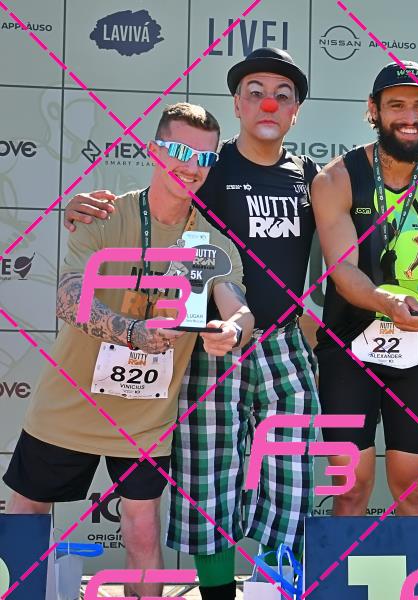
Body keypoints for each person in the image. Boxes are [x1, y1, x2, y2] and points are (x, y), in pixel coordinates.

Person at [63, 48, 321, 600]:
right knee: (209, 483)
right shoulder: (208, 166)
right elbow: (152, 205)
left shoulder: (310, 176)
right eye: (255, 92)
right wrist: (84, 207)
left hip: (282, 344)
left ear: (296, 111)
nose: (268, 103)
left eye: (282, 95)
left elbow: (358, 218)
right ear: (237, 104)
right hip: (206, 346)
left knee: (292, 484)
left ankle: (275, 590)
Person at [5, 103, 250, 598]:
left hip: (143, 419)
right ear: (154, 151)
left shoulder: (212, 240)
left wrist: (232, 331)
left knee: (141, 528)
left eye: (204, 157)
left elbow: (237, 305)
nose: (191, 166)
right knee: (27, 513)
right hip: (69, 405)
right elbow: (69, 297)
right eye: (179, 151)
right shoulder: (104, 215)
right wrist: (134, 332)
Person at [311, 60, 418, 516]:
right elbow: (342, 270)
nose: (410, 117)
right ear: (374, 110)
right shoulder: (337, 178)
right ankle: (340, 568)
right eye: (397, 105)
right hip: (348, 348)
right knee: (350, 489)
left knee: (414, 491)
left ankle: (416, 569)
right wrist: (385, 301)